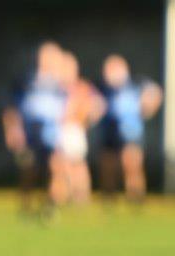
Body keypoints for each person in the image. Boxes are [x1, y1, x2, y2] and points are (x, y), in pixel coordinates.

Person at [2, 41, 68, 215]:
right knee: (28, 168)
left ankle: (51, 205)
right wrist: (12, 130)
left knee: (55, 167)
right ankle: (26, 205)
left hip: (53, 132)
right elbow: (11, 108)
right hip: (30, 132)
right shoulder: (26, 80)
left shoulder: (62, 82)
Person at [97, 54, 163, 203]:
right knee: (109, 165)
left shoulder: (136, 83)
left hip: (131, 131)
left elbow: (156, 92)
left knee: (132, 163)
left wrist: (148, 108)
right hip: (110, 131)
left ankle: (135, 196)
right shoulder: (103, 87)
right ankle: (108, 197)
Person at [57, 51, 105, 204]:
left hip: (74, 129)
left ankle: (81, 196)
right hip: (59, 129)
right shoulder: (56, 87)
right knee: (61, 164)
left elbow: (99, 105)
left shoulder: (82, 87)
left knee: (77, 164)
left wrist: (87, 120)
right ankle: (64, 194)